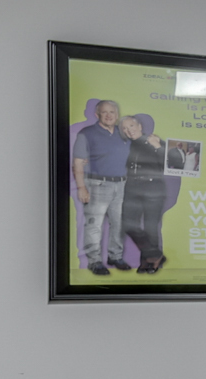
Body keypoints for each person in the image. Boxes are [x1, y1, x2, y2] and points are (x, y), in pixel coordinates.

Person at [72, 99, 131, 275]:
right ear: (97, 114)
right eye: (104, 112)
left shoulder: (124, 133)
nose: (108, 115)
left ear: (117, 115)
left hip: (121, 185)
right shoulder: (86, 133)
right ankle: (94, 261)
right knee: (94, 225)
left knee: (119, 224)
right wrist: (81, 187)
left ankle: (115, 256)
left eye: (112, 112)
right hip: (97, 185)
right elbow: (78, 162)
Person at [120, 114, 172, 273]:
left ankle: (148, 262)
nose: (129, 130)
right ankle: (155, 255)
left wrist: (157, 147)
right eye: (125, 128)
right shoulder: (126, 145)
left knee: (150, 226)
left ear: (140, 126)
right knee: (128, 224)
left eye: (131, 126)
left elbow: (172, 164)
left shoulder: (154, 140)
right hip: (132, 187)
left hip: (153, 187)